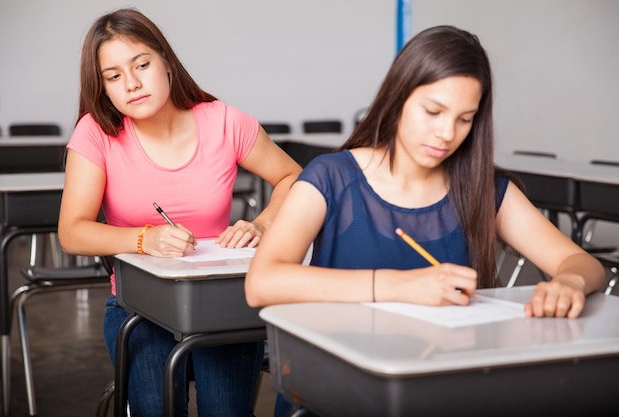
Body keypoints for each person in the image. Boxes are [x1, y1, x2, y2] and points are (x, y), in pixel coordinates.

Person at [246, 25, 605, 413]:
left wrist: (569, 281)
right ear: (399, 98)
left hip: (443, 387)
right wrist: (400, 286)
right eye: (433, 112)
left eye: (464, 119)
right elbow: (262, 283)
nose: (446, 133)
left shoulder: (483, 190)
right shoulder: (331, 177)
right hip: (336, 387)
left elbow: (584, 264)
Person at [57, 8, 301, 417]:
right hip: (138, 305)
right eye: (114, 76)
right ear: (103, 88)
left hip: (220, 299)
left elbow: (294, 179)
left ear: (166, 62)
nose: (132, 83)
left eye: (142, 65)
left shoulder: (224, 122)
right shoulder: (96, 132)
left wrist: (263, 223)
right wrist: (143, 238)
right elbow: (73, 232)